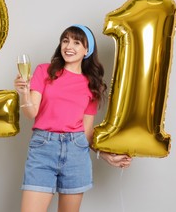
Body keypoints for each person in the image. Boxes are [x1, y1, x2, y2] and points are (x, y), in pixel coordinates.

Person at [14, 25, 132, 212]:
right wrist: (24, 94)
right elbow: (31, 113)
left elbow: (86, 132)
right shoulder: (44, 71)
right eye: (65, 40)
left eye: (77, 42)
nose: (69, 46)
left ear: (87, 50)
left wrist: (106, 155)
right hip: (43, 148)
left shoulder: (93, 85)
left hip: (76, 152)